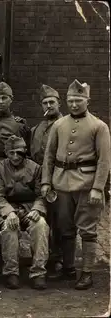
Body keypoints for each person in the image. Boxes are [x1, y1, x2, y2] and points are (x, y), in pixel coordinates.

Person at [41, 79, 111, 290]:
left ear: (87, 100)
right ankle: (69, 268)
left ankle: (87, 273)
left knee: (87, 230)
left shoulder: (99, 127)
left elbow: (104, 160)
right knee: (65, 228)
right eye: (71, 100)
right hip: (61, 184)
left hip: (86, 185)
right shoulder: (58, 125)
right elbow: (49, 156)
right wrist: (46, 182)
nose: (74, 104)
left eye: (78, 100)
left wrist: (98, 188)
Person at [0, 135, 49, 290]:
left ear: (25, 151)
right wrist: (9, 212)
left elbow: (40, 195)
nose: (15, 156)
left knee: (41, 225)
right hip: (8, 209)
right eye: (11, 153)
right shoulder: (0, 168)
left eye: (19, 152)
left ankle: (38, 272)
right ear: (6, 153)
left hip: (29, 208)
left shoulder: (35, 168)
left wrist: (37, 209)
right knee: (9, 228)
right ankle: (11, 272)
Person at [29, 84, 64, 278]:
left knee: (58, 220)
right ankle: (40, 258)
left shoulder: (65, 125)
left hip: (58, 179)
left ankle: (58, 260)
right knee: (40, 219)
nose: (48, 106)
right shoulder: (36, 128)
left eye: (52, 102)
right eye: (45, 103)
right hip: (38, 180)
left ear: (59, 104)